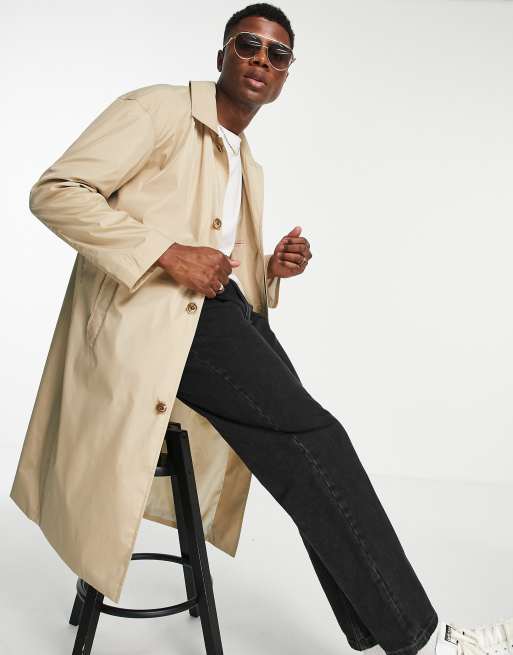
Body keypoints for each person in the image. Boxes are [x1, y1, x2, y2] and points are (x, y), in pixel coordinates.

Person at [11, 3, 512, 655]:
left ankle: (386, 625)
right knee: (317, 441)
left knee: (309, 453)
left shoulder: (243, 158)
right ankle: (421, 640)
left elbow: (220, 265)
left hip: (216, 314)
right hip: (159, 322)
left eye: (277, 54)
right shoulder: (158, 110)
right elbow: (56, 191)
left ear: (285, 74)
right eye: (248, 44)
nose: (261, 60)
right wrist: (168, 253)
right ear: (221, 53)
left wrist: (270, 270)